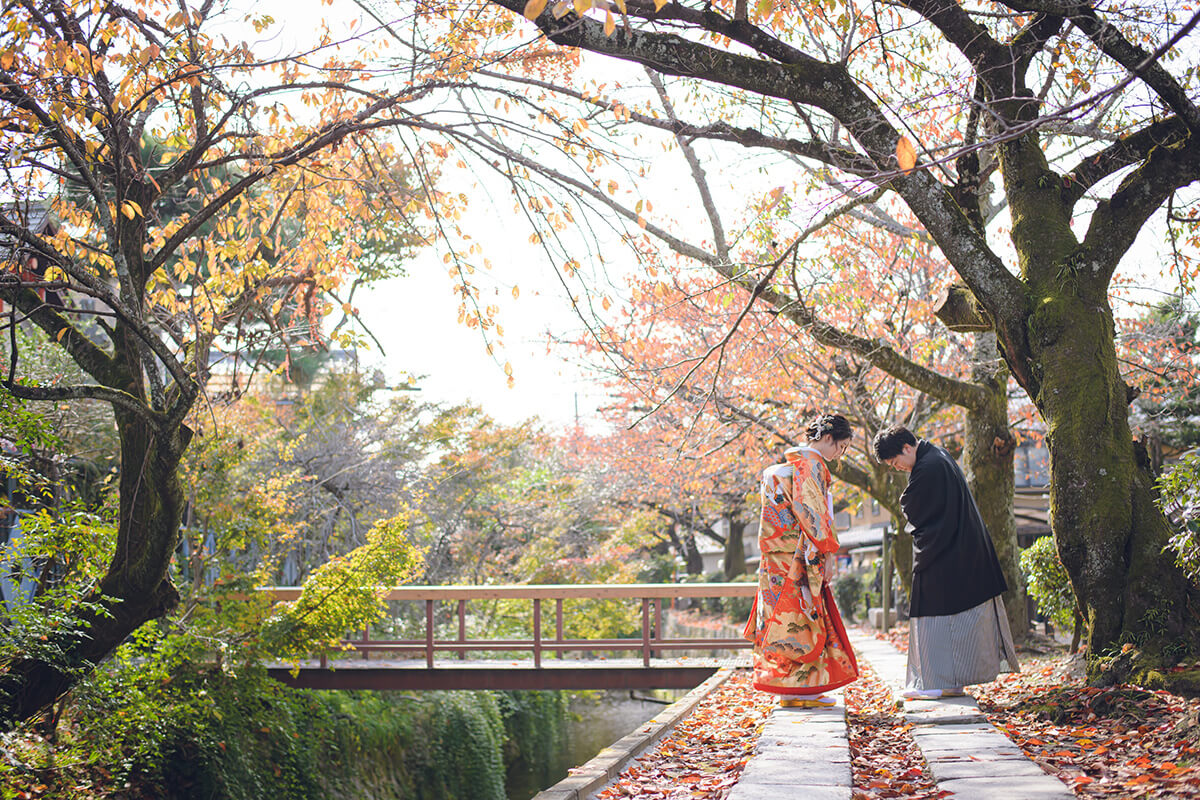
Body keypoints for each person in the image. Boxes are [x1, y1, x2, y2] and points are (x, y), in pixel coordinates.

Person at [871, 425, 1020, 700]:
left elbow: (913, 505)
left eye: (895, 462)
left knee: (935, 617)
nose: (898, 468)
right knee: (953, 619)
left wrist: (907, 504)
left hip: (946, 551)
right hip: (959, 548)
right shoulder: (937, 456)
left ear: (906, 448)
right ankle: (951, 683)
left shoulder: (929, 467)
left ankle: (935, 684)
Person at [743, 414, 859, 708]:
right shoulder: (811, 466)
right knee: (804, 621)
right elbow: (815, 516)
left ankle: (791, 691)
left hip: (773, 559)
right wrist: (828, 553)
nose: (839, 455)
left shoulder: (777, 470)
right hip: (799, 557)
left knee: (783, 622)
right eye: (841, 447)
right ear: (828, 438)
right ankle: (800, 691)